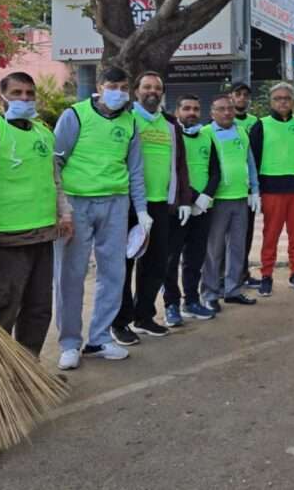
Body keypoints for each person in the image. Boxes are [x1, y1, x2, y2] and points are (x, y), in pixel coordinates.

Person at [53, 66, 149, 370]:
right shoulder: (75, 115)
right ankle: (69, 342)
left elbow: (135, 170)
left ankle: (99, 338)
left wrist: (142, 211)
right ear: (99, 86)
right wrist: (61, 207)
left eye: (123, 87)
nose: (118, 92)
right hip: (77, 203)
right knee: (70, 274)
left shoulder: (130, 122)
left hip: (116, 203)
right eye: (113, 86)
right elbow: (55, 161)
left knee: (114, 273)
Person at [0, 71, 72, 357]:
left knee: (38, 309)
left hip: (42, 236)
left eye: (29, 94)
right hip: (7, 242)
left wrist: (65, 214)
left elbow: (55, 180)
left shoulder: (43, 133)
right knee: (1, 310)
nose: (24, 99)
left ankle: (28, 372)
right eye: (17, 93)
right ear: (2, 97)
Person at [110, 71, 193, 345]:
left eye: (157, 88)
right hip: (129, 204)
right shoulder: (125, 119)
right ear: (136, 91)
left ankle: (144, 316)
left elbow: (179, 165)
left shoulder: (170, 125)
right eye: (146, 87)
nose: (152, 92)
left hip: (160, 205)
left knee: (157, 263)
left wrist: (182, 199)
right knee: (124, 263)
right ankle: (120, 321)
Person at [249, 82, 294, 296]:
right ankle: (266, 275)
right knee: (270, 234)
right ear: (271, 102)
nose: (282, 102)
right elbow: (251, 159)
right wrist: (253, 189)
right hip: (271, 189)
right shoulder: (260, 126)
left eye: (287, 98)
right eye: (278, 98)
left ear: (293, 101)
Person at [200, 95, 260, 311]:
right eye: (221, 109)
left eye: (230, 109)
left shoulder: (242, 132)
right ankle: (210, 293)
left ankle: (233, 290)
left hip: (240, 198)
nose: (227, 113)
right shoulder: (205, 134)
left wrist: (255, 189)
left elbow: (250, 162)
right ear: (212, 112)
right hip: (217, 200)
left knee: (237, 247)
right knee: (214, 249)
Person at [164, 95, 219, 321]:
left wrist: (206, 196)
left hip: (203, 209)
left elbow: (216, 170)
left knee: (195, 258)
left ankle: (192, 301)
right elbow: (172, 172)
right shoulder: (172, 137)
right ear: (178, 111)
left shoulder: (207, 136)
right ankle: (171, 304)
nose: (192, 113)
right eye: (186, 108)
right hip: (178, 208)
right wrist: (194, 198)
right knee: (170, 258)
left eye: (196, 109)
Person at [231, 82, 261, 288]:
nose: (242, 98)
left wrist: (256, 187)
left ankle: (242, 272)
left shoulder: (255, 123)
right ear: (231, 96)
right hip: (227, 187)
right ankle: (226, 275)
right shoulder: (222, 120)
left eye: (245, 95)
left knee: (246, 231)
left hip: (249, 186)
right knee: (224, 235)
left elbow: (258, 154)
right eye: (238, 94)